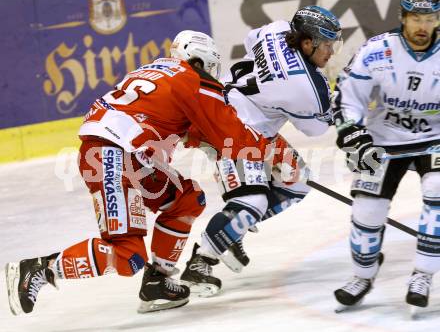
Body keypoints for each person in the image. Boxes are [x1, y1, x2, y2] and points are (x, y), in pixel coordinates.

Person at [5, 30, 298, 315]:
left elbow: (183, 125)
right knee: (127, 255)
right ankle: (40, 269)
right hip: (113, 156)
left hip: (128, 155)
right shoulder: (191, 79)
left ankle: (158, 281)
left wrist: (214, 143)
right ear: (197, 61)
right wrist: (270, 151)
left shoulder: (156, 70)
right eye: (209, 67)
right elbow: (231, 135)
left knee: (187, 199)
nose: (211, 74)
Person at [179, 5, 343, 296]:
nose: (331, 53)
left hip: (235, 111)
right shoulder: (307, 88)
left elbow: (250, 41)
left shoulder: (277, 30)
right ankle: (201, 261)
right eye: (327, 45)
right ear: (307, 43)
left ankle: (231, 230)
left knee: (297, 180)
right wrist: (332, 103)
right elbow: (315, 130)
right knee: (252, 200)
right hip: (231, 128)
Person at [332, 0, 440, 311]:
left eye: (430, 19)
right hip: (384, 139)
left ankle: (423, 274)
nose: (423, 26)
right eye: (416, 19)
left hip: (435, 137)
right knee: (367, 210)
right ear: (403, 17)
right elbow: (348, 96)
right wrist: (352, 132)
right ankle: (362, 276)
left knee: (438, 190)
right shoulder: (376, 50)